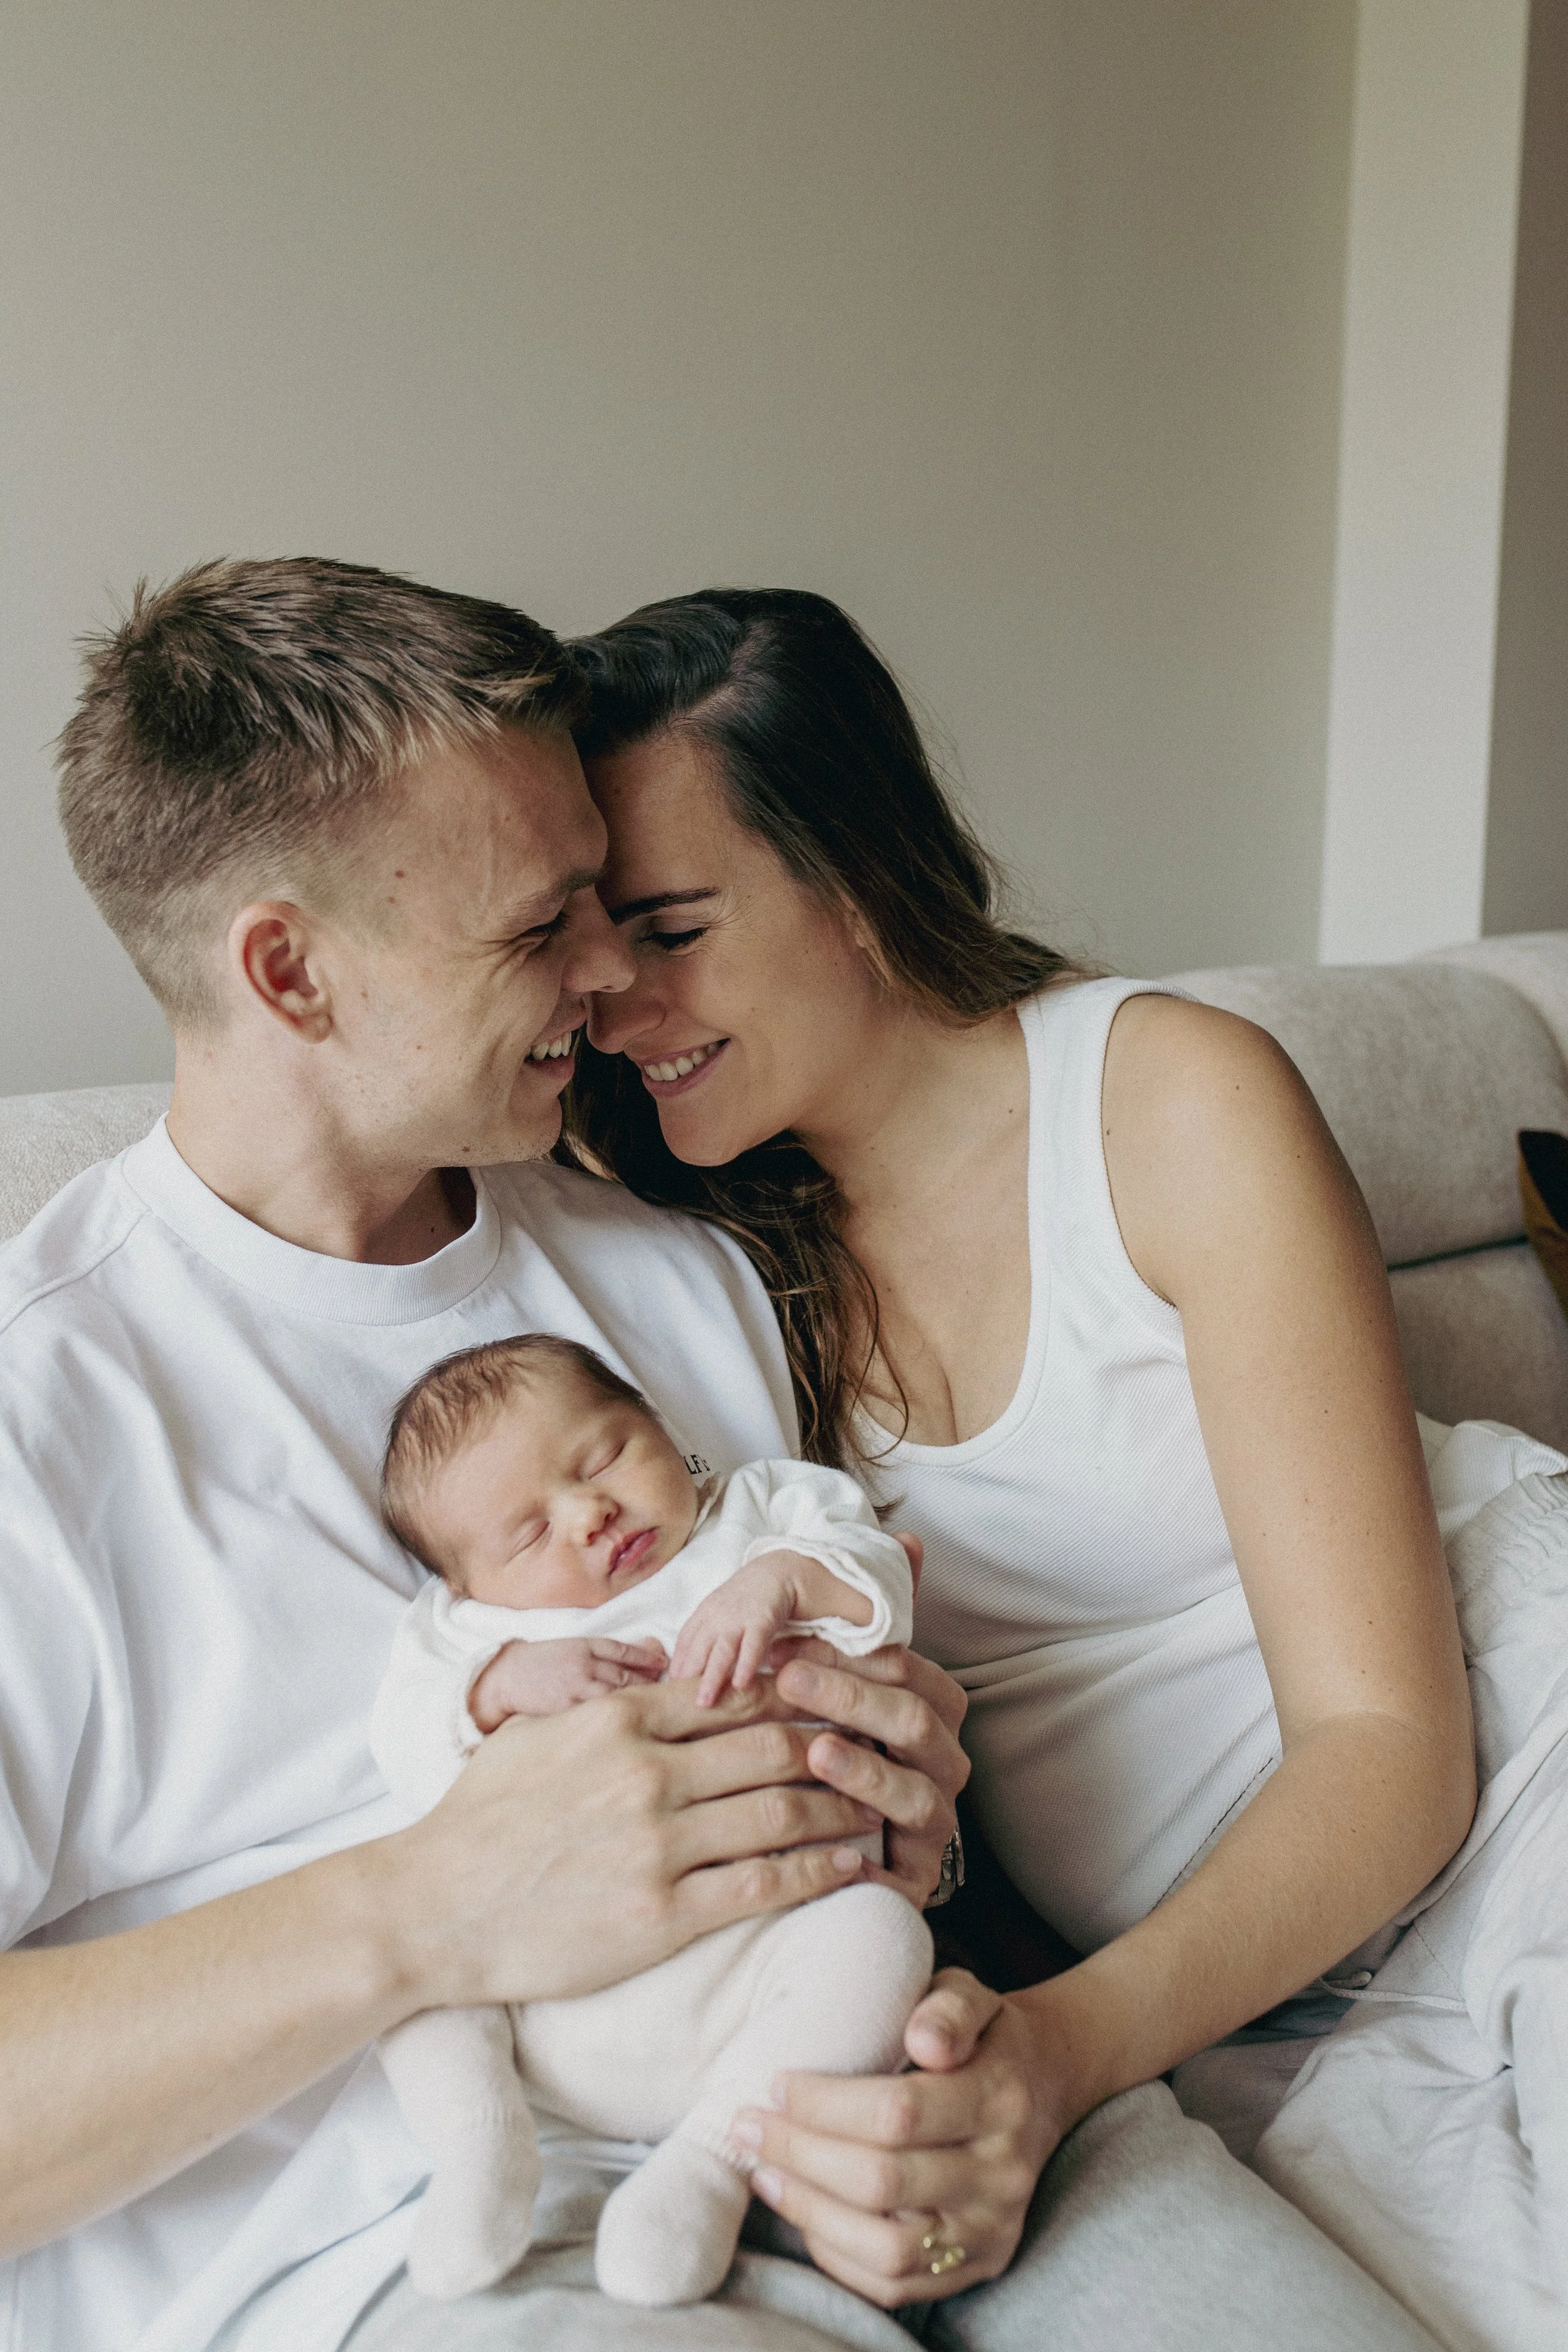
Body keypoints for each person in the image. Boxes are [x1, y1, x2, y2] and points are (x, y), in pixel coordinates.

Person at [0, 556, 1436, 2352]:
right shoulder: (43, 1411)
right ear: (291, 971)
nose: (604, 977)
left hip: (851, 2068)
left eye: (615, 908)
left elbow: (872, 1677)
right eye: (539, 929)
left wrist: (909, 1788)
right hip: (424, 2242)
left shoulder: (673, 1264)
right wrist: (425, 1906)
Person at [562, 585, 1489, 2331]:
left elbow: (1388, 1742)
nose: (617, 1000)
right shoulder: (693, 1254)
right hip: (1235, 1984)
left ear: (846, 873)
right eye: (592, 944)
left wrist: (1060, 2045)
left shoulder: (1166, 1100)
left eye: (670, 927)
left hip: (1488, 1792)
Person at [368, 1331, 929, 2308]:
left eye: (603, 1457)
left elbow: (879, 1586)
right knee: (406, 1965)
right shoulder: (470, 1634)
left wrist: (785, 1581)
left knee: (885, 1939)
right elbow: (403, 1742)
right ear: (465, 1587)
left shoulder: (761, 1515)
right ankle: (485, 2152)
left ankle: (710, 2164)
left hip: (769, 1958)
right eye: (529, 1534)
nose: (591, 1512)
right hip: (551, 1995)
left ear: (665, 1428)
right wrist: (494, 1686)